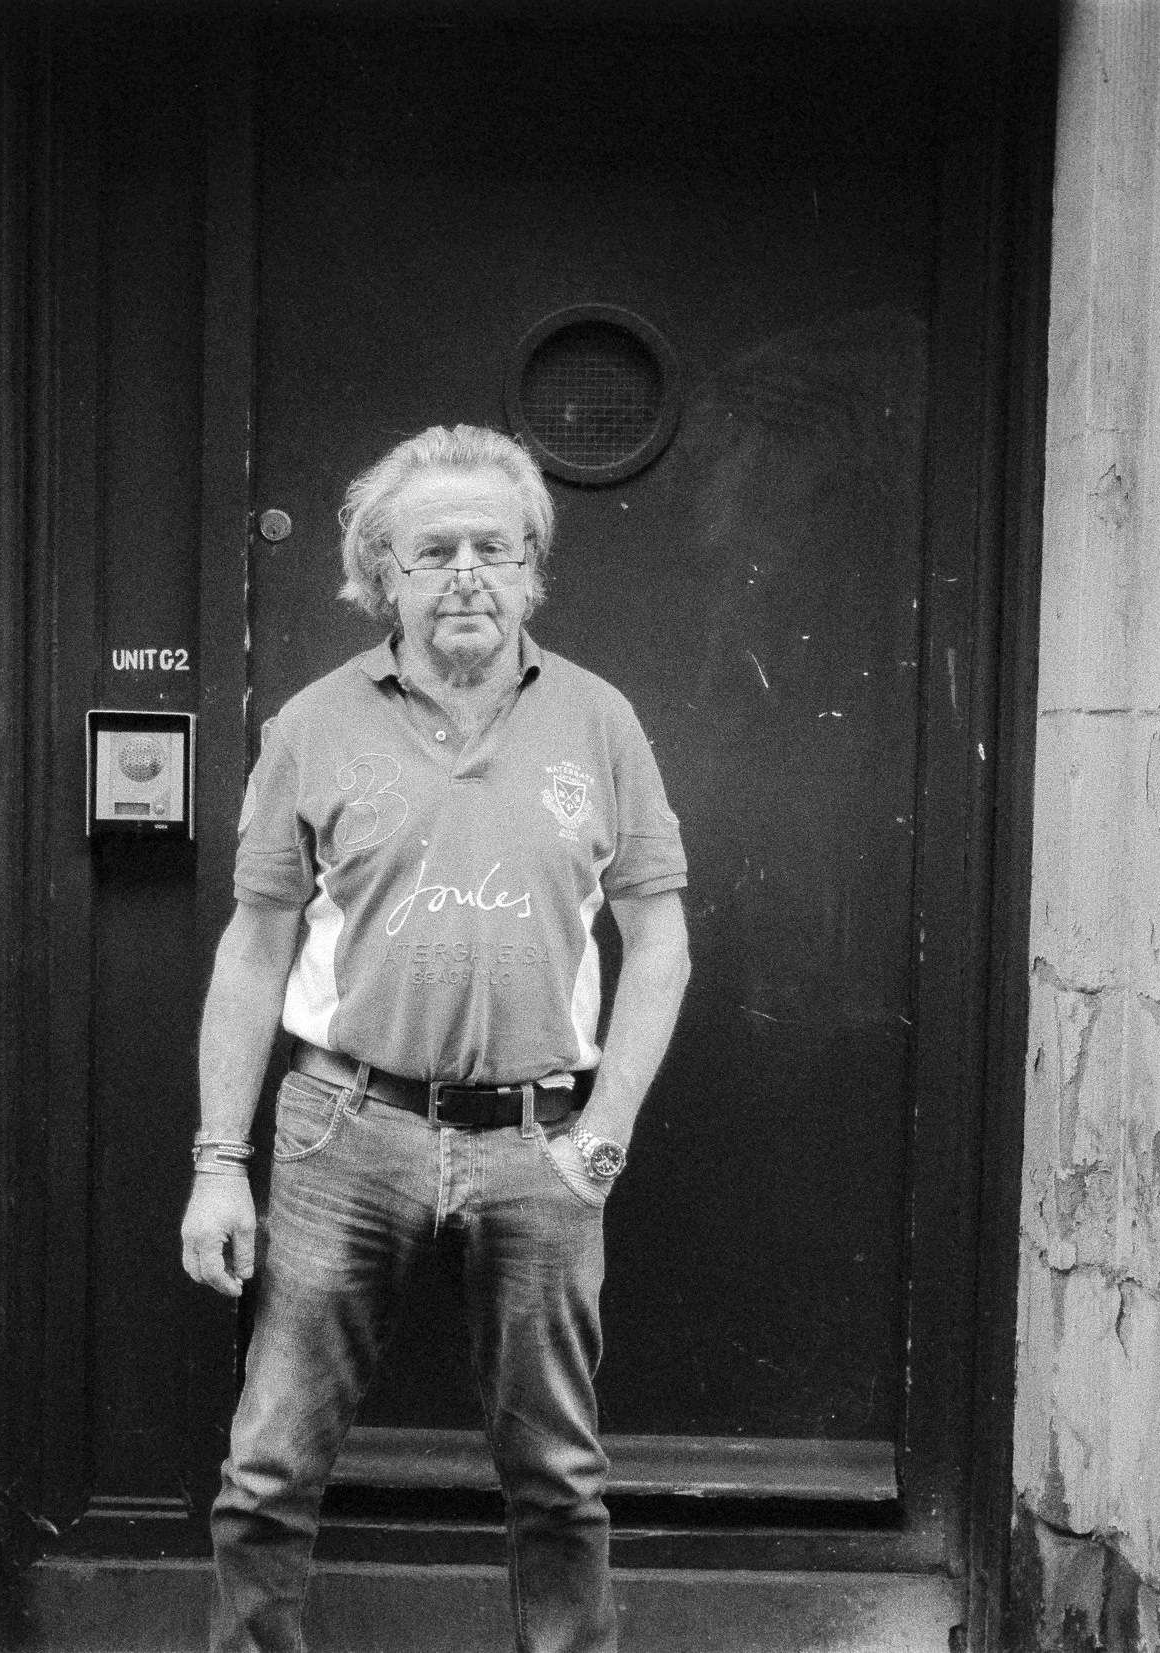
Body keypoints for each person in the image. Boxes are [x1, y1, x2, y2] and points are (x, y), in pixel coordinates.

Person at [180, 424, 692, 1653]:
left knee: (558, 1478)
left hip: (539, 1143)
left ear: (530, 569)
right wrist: (215, 1163)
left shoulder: (597, 719)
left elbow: (658, 940)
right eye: (433, 551)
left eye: (493, 548)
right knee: (265, 1472)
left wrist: (604, 1136)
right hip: (340, 1135)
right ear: (380, 576)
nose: (466, 572)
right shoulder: (313, 722)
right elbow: (252, 948)